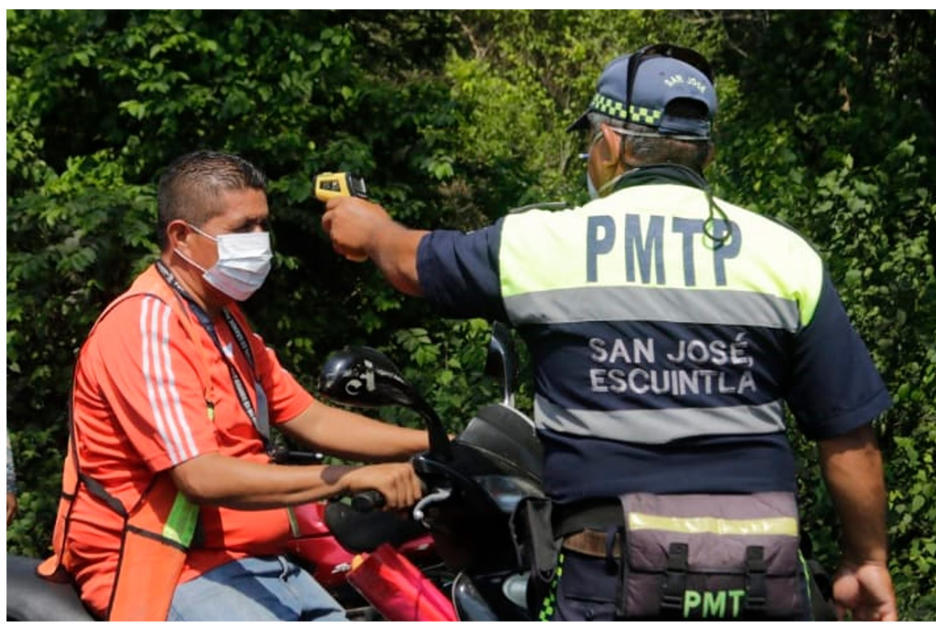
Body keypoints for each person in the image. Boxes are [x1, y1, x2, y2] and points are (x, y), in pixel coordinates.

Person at [321, 44, 897, 621]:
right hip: (761, 578)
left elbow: (408, 262)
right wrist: (867, 561)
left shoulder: (539, 245)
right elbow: (848, 436)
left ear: (612, 144)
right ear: (707, 153)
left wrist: (367, 227)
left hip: (610, 580)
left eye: (591, 138)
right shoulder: (785, 256)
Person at [38, 150, 429, 621]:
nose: (260, 241)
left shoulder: (226, 321)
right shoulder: (147, 325)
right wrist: (347, 477)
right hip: (162, 568)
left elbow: (309, 417)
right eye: (243, 228)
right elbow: (201, 476)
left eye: (264, 225)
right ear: (181, 236)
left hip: (249, 561)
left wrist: (438, 445)